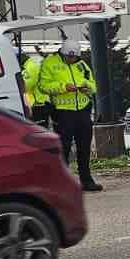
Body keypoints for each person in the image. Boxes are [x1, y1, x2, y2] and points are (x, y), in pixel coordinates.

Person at [39, 40, 102, 192]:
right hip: (62, 111)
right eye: (68, 57)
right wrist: (63, 88)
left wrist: (88, 87)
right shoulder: (50, 62)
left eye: (74, 57)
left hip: (83, 109)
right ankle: (63, 182)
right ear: (62, 53)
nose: (71, 60)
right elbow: (43, 86)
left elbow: (93, 84)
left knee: (84, 147)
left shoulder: (81, 64)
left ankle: (86, 180)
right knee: (64, 148)